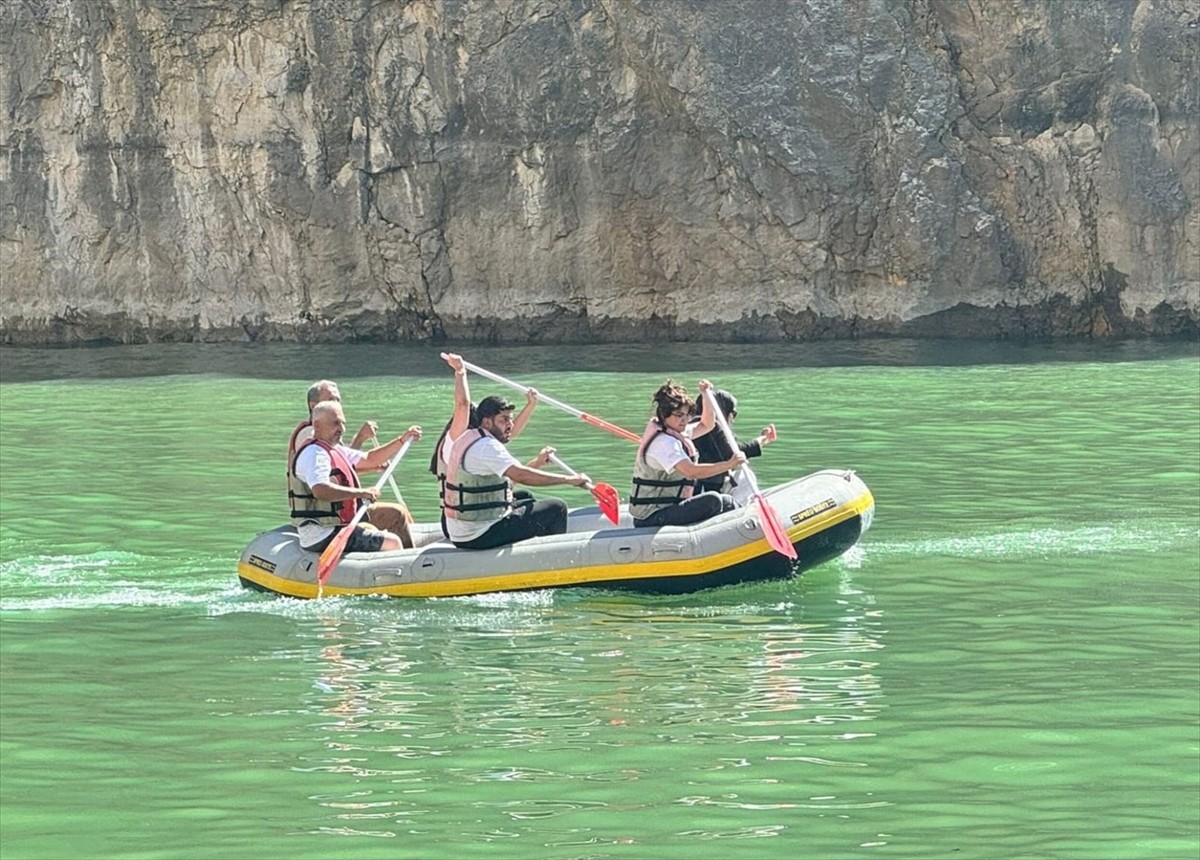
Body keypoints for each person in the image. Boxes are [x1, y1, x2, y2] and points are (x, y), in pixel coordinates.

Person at [439, 352, 591, 550]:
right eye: (504, 420)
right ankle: (550, 560)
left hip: (464, 529)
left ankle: (524, 548)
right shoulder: (486, 447)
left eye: (510, 419)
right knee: (556, 507)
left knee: (524, 497)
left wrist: (537, 461)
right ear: (486, 421)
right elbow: (519, 474)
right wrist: (569, 480)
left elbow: (508, 480)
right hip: (478, 534)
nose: (510, 425)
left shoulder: (473, 439)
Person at [289, 400, 422, 554]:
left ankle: (413, 561)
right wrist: (362, 493)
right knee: (392, 542)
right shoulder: (314, 454)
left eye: (343, 423)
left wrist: (402, 440)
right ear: (317, 426)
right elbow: (320, 490)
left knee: (396, 514)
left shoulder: (334, 448)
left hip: (341, 522)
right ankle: (401, 573)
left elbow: (370, 458)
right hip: (323, 533)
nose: (342, 429)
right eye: (335, 423)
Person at [428, 387, 543, 538]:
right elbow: (463, 404)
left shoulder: (475, 442)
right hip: (462, 520)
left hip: (466, 513)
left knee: (523, 496)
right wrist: (460, 371)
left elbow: (509, 433)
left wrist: (531, 405)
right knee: (547, 507)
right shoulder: (459, 443)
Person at [628, 379, 746, 528]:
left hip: (668, 508)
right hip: (651, 516)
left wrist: (706, 395)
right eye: (679, 415)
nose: (684, 420)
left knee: (726, 502)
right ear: (665, 414)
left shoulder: (677, 432)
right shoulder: (664, 443)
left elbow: (707, 425)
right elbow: (691, 472)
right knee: (713, 500)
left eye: (687, 415)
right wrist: (729, 464)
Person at [692, 388, 778, 497]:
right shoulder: (711, 429)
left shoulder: (691, 427)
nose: (733, 419)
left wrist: (763, 439)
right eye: (733, 413)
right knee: (744, 476)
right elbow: (734, 453)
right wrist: (763, 439)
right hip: (705, 489)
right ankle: (743, 511)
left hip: (703, 486)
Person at [287, 379, 379, 463]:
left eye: (338, 400)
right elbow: (341, 464)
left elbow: (343, 466)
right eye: (331, 400)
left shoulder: (329, 432)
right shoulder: (309, 435)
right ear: (313, 406)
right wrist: (360, 437)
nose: (336, 404)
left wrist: (360, 439)